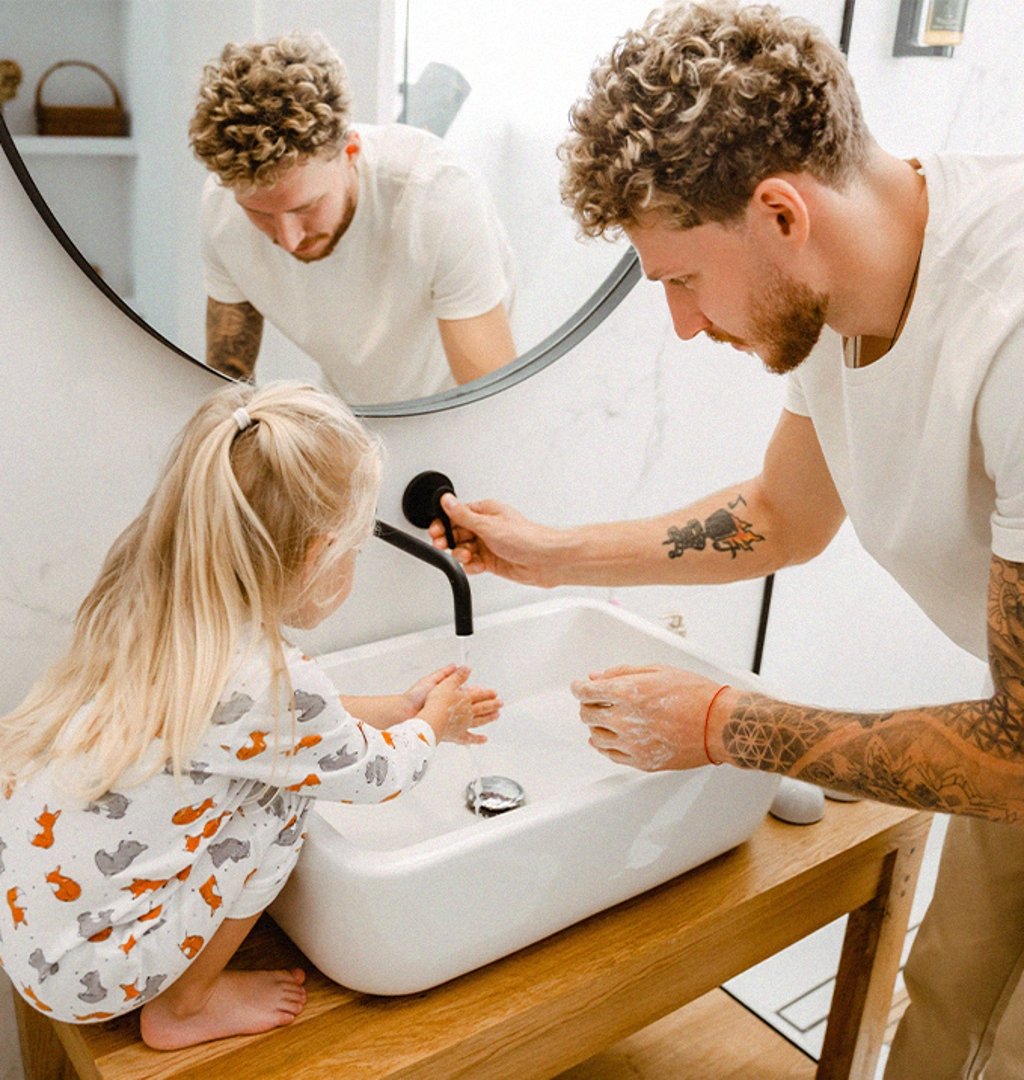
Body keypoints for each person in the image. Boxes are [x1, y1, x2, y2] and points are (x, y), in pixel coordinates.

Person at [427, 2, 1024, 1076]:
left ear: (781, 214)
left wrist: (724, 725)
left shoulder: (1009, 326)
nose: (685, 326)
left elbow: (1020, 755)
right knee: (941, 1013)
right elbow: (781, 517)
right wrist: (556, 553)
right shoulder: (833, 287)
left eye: (683, 281)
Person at [0, 381, 500, 1050]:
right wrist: (430, 725)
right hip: (92, 975)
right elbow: (375, 775)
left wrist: (402, 706)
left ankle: (179, 986)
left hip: (39, 931)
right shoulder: (268, 678)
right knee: (282, 799)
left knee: (278, 772)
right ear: (317, 555)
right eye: (354, 549)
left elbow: (265, 735)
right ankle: (184, 1006)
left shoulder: (158, 606)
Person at [189, 33, 517, 405]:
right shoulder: (222, 212)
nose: (289, 238)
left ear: (350, 151)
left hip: (450, 416)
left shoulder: (439, 197)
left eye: (304, 208)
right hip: (349, 417)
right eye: (260, 214)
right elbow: (227, 386)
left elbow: (491, 405)